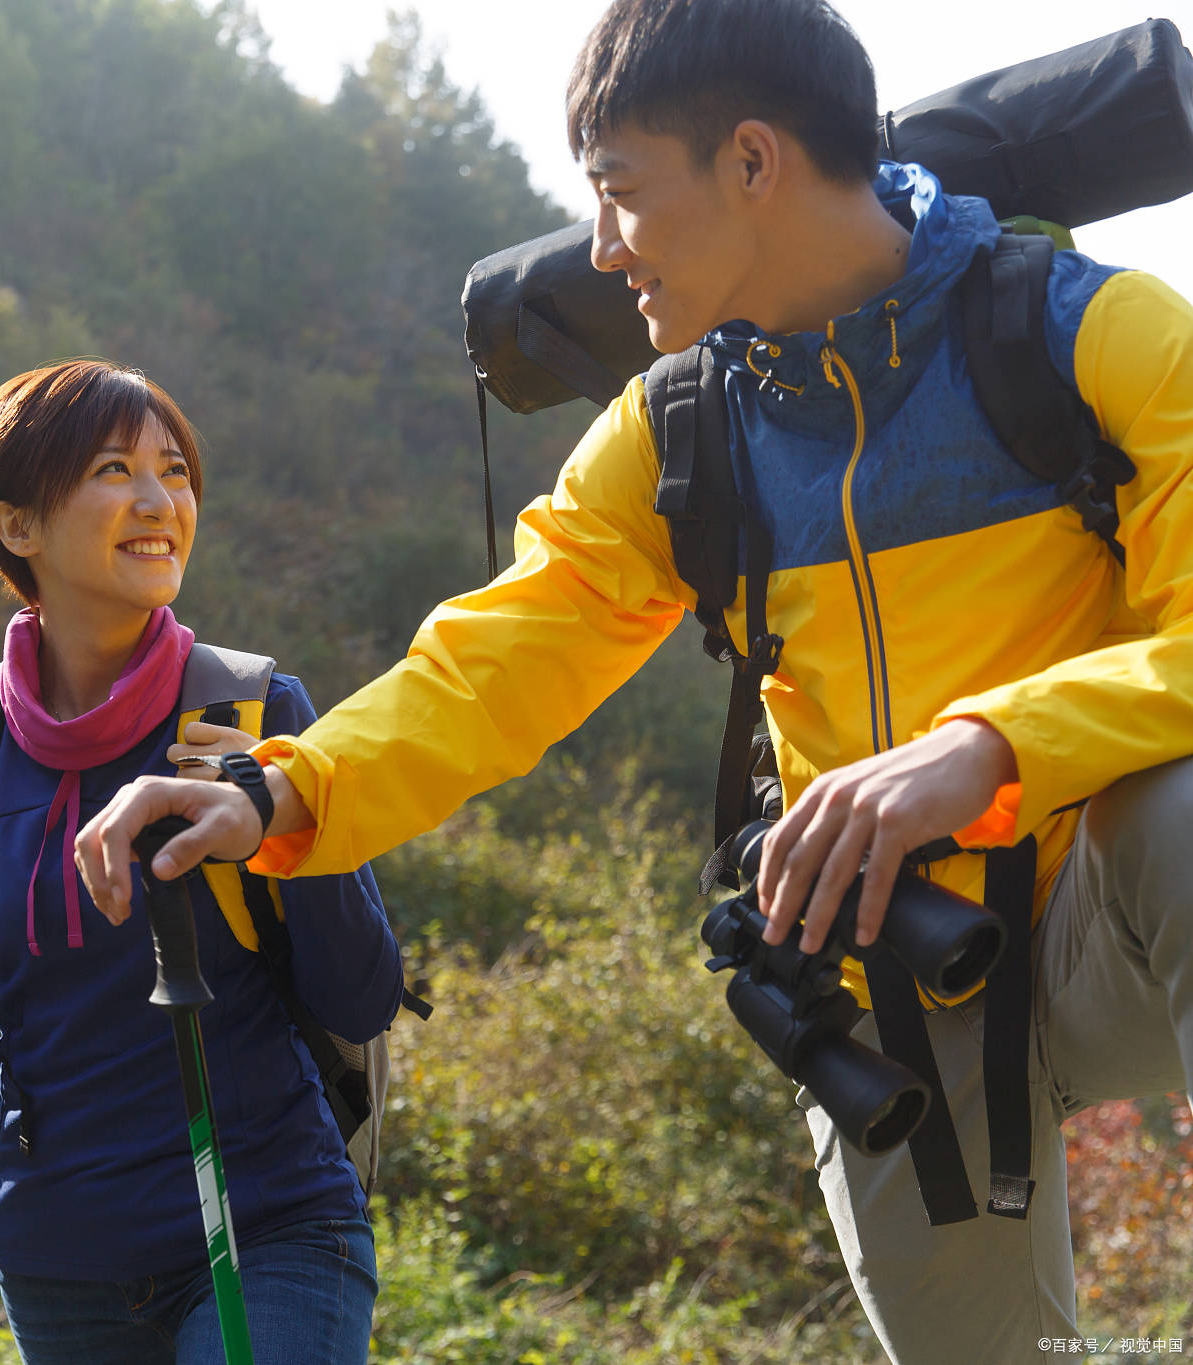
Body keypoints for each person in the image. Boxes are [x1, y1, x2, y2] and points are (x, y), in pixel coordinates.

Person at [73, 3, 1193, 1361]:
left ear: (755, 162)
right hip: (897, 990)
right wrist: (278, 788)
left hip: (1112, 922)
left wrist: (989, 747)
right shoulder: (678, 432)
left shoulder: (1093, 341)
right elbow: (490, 667)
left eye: (619, 194)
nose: (602, 250)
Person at [0, 359, 403, 1365]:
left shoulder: (253, 716)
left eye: (172, 471)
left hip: (266, 1226)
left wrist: (267, 813)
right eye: (111, 469)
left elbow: (360, 997)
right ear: (17, 527)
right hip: (59, 1261)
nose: (158, 501)